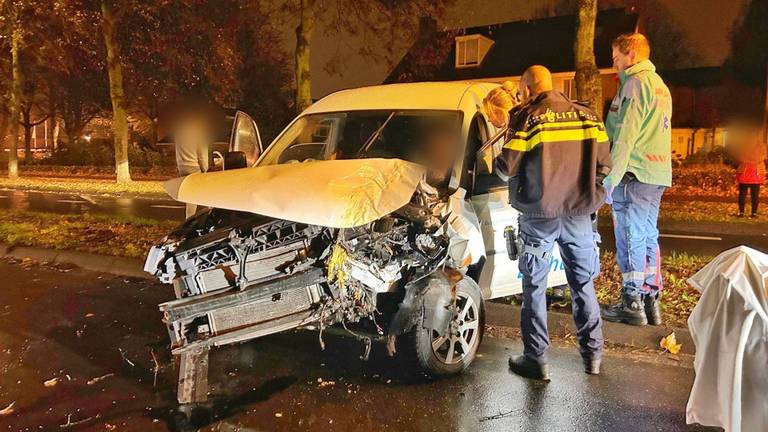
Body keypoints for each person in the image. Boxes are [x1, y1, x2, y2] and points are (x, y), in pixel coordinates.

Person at [490, 65, 611, 380]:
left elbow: (505, 168)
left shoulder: (528, 119)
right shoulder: (589, 116)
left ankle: (537, 360)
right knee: (583, 286)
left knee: (535, 288)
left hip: (540, 216)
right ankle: (593, 357)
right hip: (579, 216)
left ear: (528, 89)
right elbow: (605, 165)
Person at [601, 33, 672, 327]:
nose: (614, 63)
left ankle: (631, 301)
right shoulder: (660, 87)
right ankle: (650, 300)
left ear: (631, 55)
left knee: (630, 234)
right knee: (647, 235)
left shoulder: (634, 84)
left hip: (634, 173)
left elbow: (626, 137)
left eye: (616, 57)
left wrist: (609, 181)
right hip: (656, 174)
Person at [173, 103, 213, 219]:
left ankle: (189, 218)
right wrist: (205, 169)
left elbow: (177, 150)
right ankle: (208, 215)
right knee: (206, 192)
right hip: (194, 166)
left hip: (182, 166)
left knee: (190, 194)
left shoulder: (179, 132)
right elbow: (202, 153)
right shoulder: (198, 133)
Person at [735, 127, 767, 218]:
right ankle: (754, 213)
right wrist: (755, 160)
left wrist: (747, 160)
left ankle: (741, 212)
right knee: (755, 194)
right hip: (756, 171)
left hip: (744, 171)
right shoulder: (761, 145)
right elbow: (763, 156)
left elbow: (740, 157)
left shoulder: (743, 145)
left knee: (742, 194)